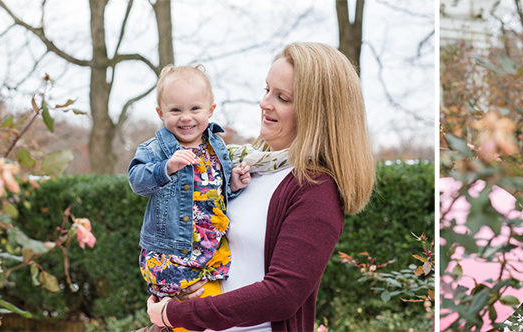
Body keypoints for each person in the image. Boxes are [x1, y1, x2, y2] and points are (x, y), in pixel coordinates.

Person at [144, 42, 376, 332]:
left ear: (316, 111)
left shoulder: (316, 189)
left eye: (283, 97)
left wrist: (181, 313)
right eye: (267, 90)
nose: (265, 103)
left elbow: (282, 295)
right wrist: (170, 289)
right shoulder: (244, 166)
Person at [127, 65, 251, 303]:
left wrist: (233, 185)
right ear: (161, 113)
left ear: (210, 110)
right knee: (178, 312)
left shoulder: (217, 148)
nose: (186, 117)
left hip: (210, 251)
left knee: (210, 311)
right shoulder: (155, 149)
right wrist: (166, 168)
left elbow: (215, 194)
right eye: (175, 110)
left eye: (195, 108)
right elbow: (136, 181)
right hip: (171, 254)